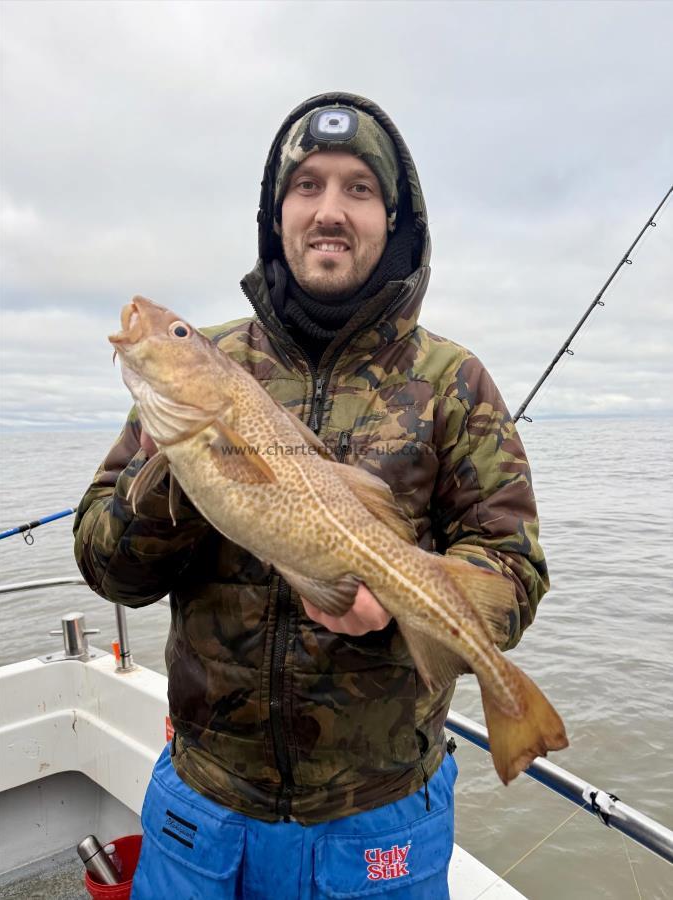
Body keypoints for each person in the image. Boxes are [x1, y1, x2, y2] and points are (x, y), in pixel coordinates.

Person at [74, 92, 549, 899]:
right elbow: (105, 567)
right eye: (307, 186)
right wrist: (174, 474)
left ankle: (513, 703)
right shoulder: (205, 380)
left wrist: (394, 608)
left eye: (358, 188)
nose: (330, 209)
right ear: (277, 213)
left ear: (392, 218)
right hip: (203, 800)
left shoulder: (450, 381)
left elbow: (511, 567)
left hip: (380, 817)